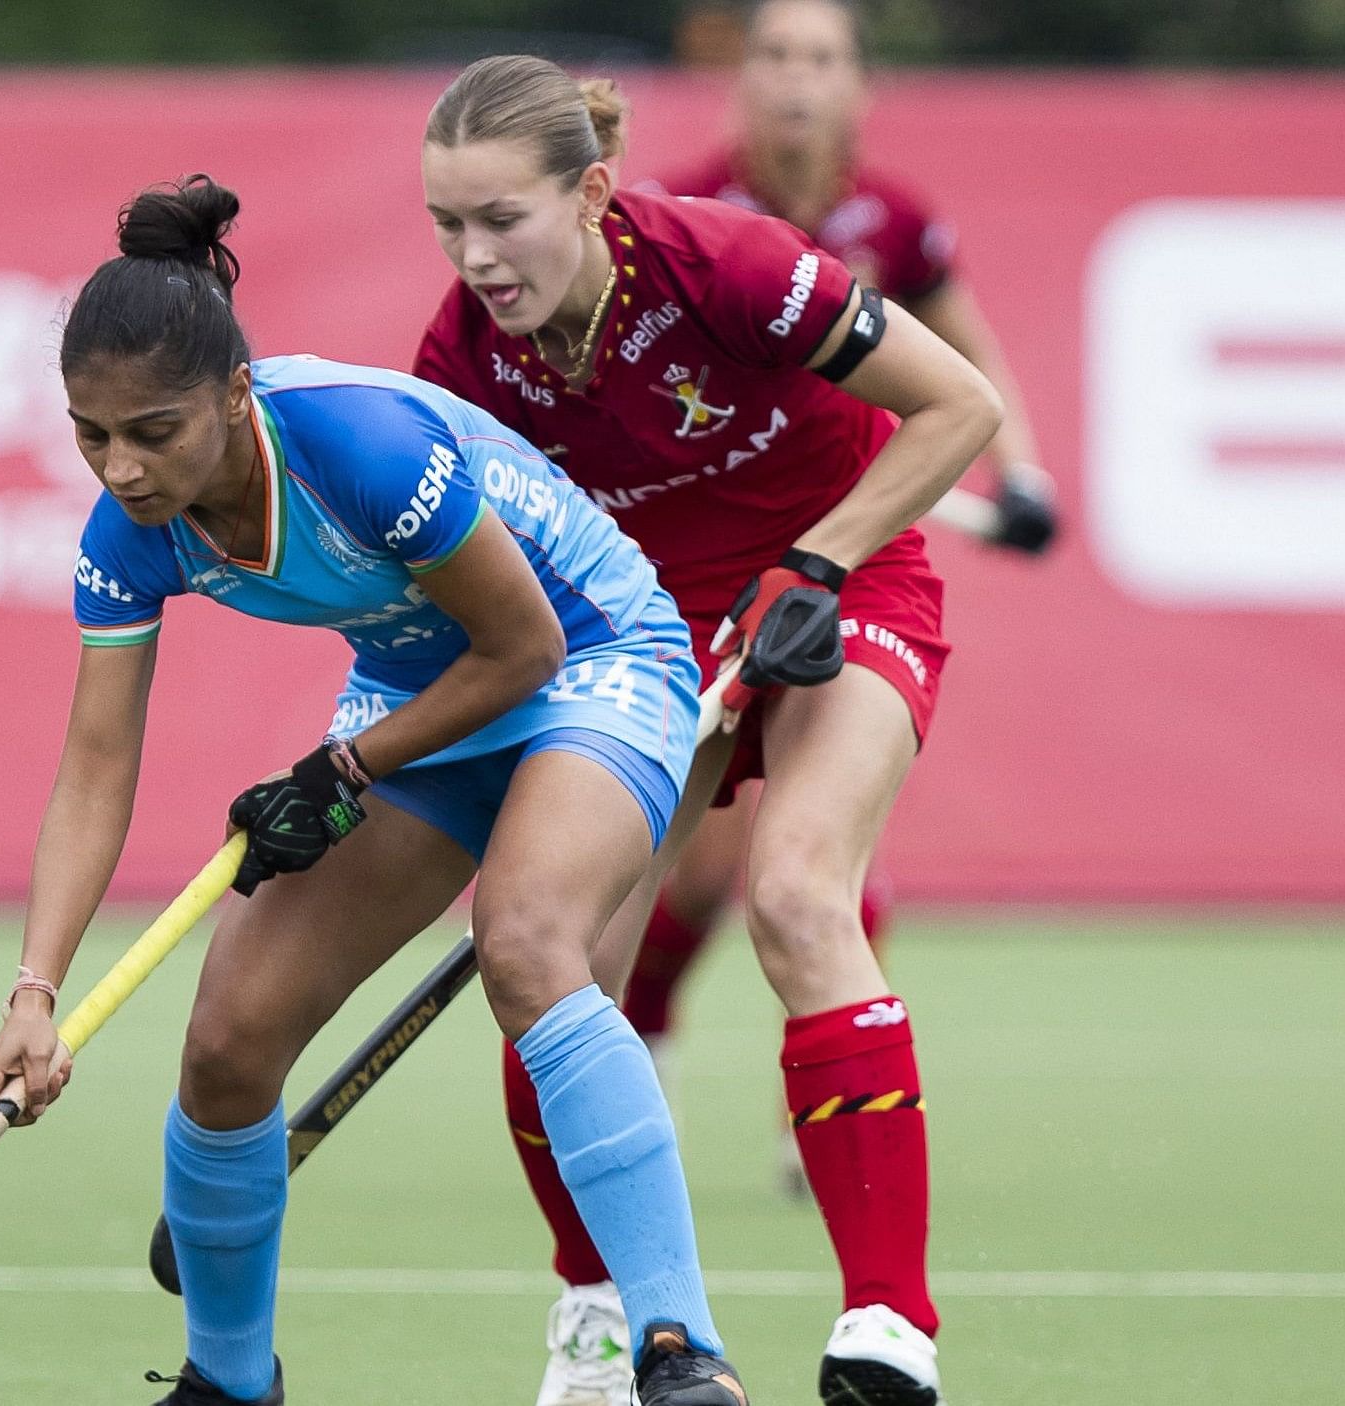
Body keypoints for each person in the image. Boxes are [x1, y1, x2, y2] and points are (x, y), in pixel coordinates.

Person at [0, 176, 747, 1406]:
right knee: (227, 1038)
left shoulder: (360, 445)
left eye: (153, 431)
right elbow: (97, 765)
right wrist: (34, 992)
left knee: (528, 941)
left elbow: (524, 649)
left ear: (232, 393)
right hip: (422, 694)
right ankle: (228, 1381)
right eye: (89, 433)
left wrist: (341, 772)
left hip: (594, 654)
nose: (120, 468)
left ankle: (676, 1344)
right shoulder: (129, 534)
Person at [413, 55, 1002, 1406]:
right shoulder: (463, 361)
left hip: (841, 580)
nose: (477, 257)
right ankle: (596, 1310)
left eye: (504, 220)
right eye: (449, 225)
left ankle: (889, 1327)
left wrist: (818, 559)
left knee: (799, 891)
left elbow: (958, 405)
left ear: (595, 193)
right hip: (647, 640)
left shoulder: (730, 266)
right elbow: (484, 584)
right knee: (553, 954)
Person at [627, 0, 1061, 1162]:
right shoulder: (687, 215)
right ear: (739, 79)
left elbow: (966, 356)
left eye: (821, 58)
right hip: (724, 556)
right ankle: (645, 1038)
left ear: (859, 83)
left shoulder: (895, 219)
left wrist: (1021, 473)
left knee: (812, 854)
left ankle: (817, 1096)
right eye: (774, 57)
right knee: (709, 868)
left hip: (858, 548)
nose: (795, 81)